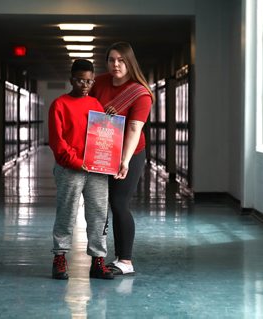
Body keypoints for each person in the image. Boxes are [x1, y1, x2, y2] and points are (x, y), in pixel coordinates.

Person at [90, 42, 154, 275]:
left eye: (121, 60)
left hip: (131, 152)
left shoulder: (140, 92)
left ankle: (125, 261)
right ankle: (99, 256)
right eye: (111, 60)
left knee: (118, 203)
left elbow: (135, 130)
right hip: (103, 148)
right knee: (99, 204)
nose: (116, 64)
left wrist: (124, 161)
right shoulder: (99, 82)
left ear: (130, 62)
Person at [48, 59, 114, 280]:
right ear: (71, 80)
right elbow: (58, 143)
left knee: (98, 213)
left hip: (96, 170)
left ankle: (98, 261)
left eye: (89, 81)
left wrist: (110, 118)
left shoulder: (96, 105)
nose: (84, 85)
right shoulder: (59, 104)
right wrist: (78, 162)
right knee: (67, 213)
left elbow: (103, 137)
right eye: (80, 80)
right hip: (70, 169)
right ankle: (59, 257)